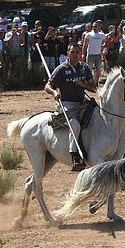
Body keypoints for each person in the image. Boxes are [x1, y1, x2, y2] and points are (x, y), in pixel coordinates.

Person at [44, 43, 97, 171]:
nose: (74, 55)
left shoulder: (84, 68)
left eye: (77, 52)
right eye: (72, 52)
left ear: (80, 54)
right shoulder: (61, 69)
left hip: (82, 103)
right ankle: (75, 156)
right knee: (75, 124)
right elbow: (47, 86)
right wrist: (55, 93)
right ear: (68, 53)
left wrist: (82, 84)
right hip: (67, 103)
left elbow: (94, 88)